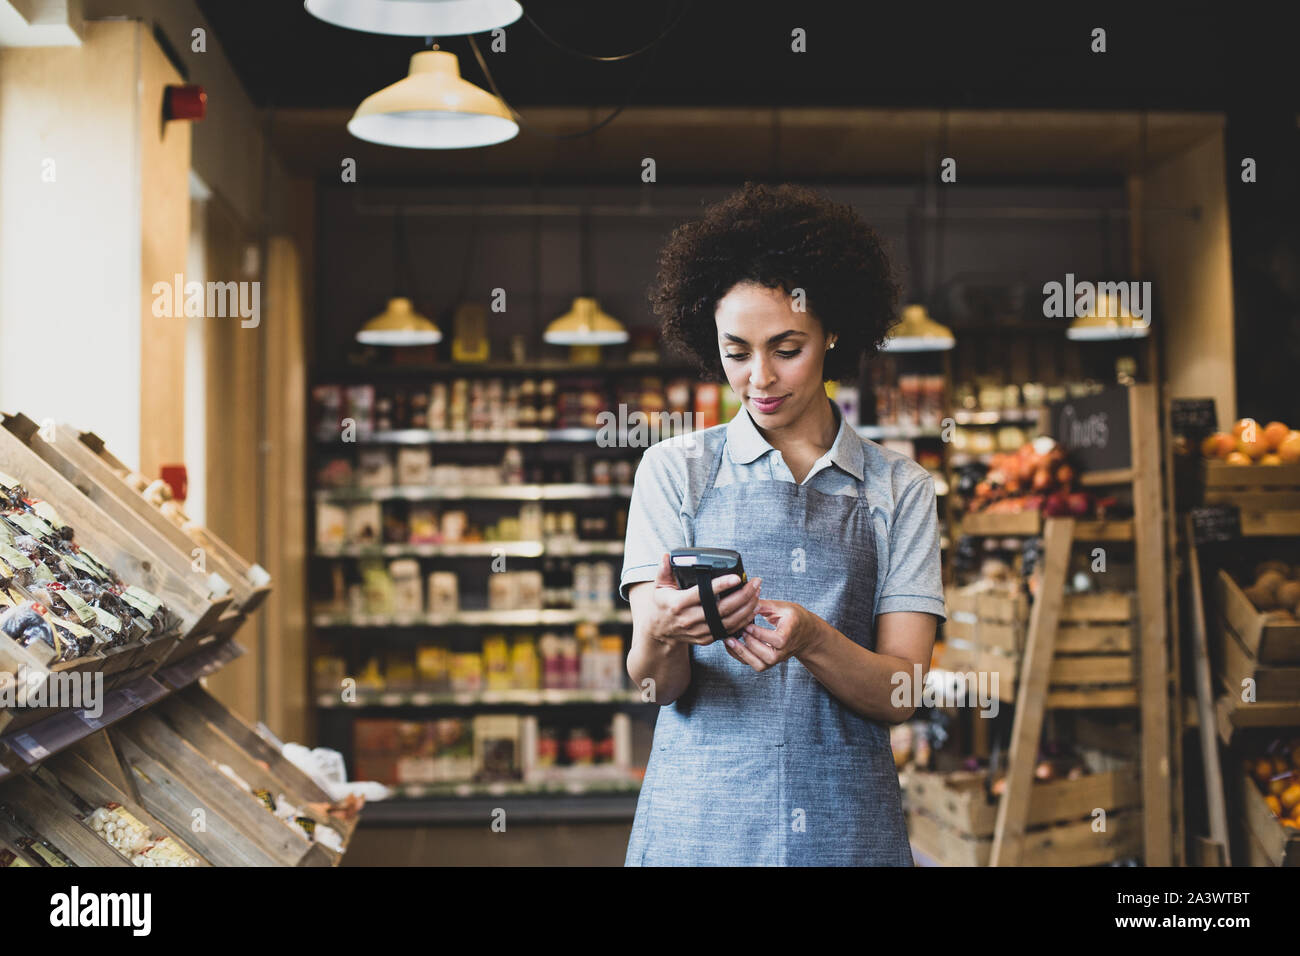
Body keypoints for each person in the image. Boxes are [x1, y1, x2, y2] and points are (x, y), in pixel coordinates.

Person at [619, 181, 946, 866]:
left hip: (846, 825)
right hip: (699, 824)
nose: (759, 377)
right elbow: (656, 685)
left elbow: (901, 694)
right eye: (736, 352)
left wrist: (813, 638)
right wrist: (663, 633)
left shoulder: (900, 489)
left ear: (833, 331)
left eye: (786, 347)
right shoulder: (673, 471)